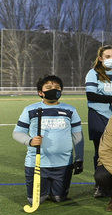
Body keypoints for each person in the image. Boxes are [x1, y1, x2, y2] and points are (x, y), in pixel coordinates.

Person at [13, 75, 84, 204]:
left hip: (63, 165)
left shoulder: (70, 110)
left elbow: (77, 136)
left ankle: (56, 191)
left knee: (59, 199)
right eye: (49, 87)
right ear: (41, 92)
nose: (54, 89)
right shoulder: (30, 109)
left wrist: (79, 158)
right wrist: (30, 141)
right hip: (37, 164)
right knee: (35, 200)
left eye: (57, 87)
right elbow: (18, 133)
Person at [85, 45, 112, 196]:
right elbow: (91, 96)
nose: (111, 59)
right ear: (100, 58)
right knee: (101, 152)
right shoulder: (93, 73)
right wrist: (111, 99)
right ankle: (100, 185)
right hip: (98, 116)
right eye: (107, 57)